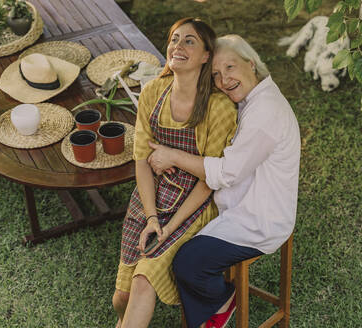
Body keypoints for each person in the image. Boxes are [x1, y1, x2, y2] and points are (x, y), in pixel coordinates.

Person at [147, 34, 301, 328]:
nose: (224, 79)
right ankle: (213, 306)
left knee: (188, 263)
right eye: (216, 74)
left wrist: (174, 156)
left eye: (230, 67)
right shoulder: (253, 98)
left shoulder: (266, 111)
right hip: (241, 202)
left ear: (251, 64)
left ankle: (220, 304)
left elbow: (228, 172)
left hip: (261, 218)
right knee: (183, 239)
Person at [111, 18, 237, 328]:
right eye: (174, 39)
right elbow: (142, 160)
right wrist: (152, 218)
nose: (178, 46)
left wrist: (168, 228)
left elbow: (209, 181)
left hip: (193, 207)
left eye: (189, 41)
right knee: (122, 298)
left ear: (206, 55)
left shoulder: (218, 109)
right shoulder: (153, 91)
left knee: (143, 281)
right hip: (150, 197)